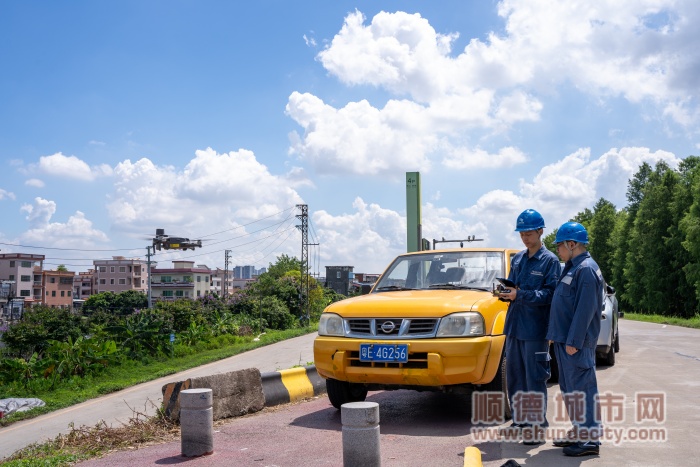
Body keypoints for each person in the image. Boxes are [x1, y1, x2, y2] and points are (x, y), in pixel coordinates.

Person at [500, 209, 560, 444]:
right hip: (514, 327)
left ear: (540, 231)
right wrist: (505, 293)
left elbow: (550, 295)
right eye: (521, 233)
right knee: (515, 378)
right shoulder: (518, 259)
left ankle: (536, 427)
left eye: (529, 233)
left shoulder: (550, 261)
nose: (525, 237)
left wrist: (519, 295)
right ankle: (520, 421)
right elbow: (513, 287)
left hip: (535, 330)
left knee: (534, 379)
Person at [547, 222, 603, 457]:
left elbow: (585, 309)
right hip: (564, 339)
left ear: (572, 244)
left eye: (559, 245)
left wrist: (574, 340)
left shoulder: (586, 269)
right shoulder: (572, 267)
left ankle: (590, 438)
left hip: (574, 342)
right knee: (570, 389)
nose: (558, 250)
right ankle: (579, 430)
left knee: (582, 389)